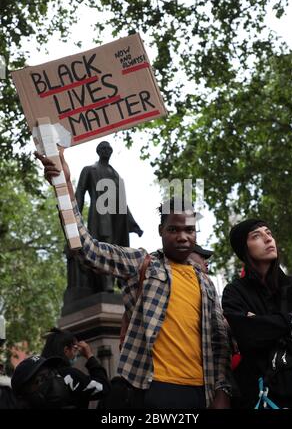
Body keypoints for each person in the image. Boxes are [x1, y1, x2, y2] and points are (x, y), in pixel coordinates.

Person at [35, 147, 231, 409]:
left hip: (200, 393)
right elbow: (86, 248)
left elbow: (218, 343)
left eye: (189, 230)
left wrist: (222, 390)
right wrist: (63, 187)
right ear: (161, 231)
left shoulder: (206, 283)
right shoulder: (143, 264)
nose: (183, 236)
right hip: (151, 389)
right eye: (174, 229)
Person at [222, 219, 292, 408]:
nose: (268, 239)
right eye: (256, 236)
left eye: (269, 233)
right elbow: (248, 336)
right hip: (260, 397)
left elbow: (257, 331)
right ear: (244, 249)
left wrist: (260, 322)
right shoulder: (234, 292)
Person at [65, 140, 143, 295]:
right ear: (98, 151)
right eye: (103, 148)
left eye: (109, 148)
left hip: (117, 220)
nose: (107, 151)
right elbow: (79, 194)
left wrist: (133, 224)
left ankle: (115, 283)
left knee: (117, 249)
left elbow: (122, 203)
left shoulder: (116, 176)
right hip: (100, 217)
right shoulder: (89, 170)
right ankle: (106, 285)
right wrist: (72, 219)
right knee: (103, 248)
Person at [40, 327, 110, 408]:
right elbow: (104, 387)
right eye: (75, 349)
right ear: (66, 350)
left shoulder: (39, 376)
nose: (76, 354)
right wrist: (90, 356)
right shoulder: (71, 375)